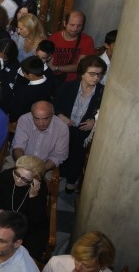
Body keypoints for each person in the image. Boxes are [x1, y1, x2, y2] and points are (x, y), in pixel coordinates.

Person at [55, 55, 106, 194]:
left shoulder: (103, 92)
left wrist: (94, 121)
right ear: (82, 73)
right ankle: (61, 173)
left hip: (84, 131)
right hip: (64, 127)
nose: (96, 78)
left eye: (99, 74)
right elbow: (55, 105)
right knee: (62, 149)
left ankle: (71, 180)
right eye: (92, 74)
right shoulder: (68, 86)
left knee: (78, 154)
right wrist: (61, 116)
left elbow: (107, 113)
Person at [0, 154, 49, 259]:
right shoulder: (6, 176)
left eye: (25, 179)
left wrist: (33, 196)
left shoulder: (40, 189)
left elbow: (37, 219)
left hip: (28, 228)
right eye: (17, 174)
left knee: (25, 257)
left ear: (35, 180)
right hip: (5, 221)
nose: (18, 180)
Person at [8, 100, 69, 173]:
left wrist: (39, 170)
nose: (41, 123)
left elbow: (58, 156)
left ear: (52, 115)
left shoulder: (62, 128)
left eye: (45, 118)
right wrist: (23, 168)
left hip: (45, 167)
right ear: (32, 115)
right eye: (37, 119)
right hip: (18, 161)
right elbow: (18, 146)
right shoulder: (24, 120)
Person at [48, 11, 96, 84]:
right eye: (72, 25)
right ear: (65, 23)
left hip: (74, 81)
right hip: (53, 79)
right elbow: (48, 61)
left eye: (79, 25)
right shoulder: (53, 38)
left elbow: (81, 66)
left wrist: (57, 68)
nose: (75, 29)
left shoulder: (87, 40)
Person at [9, 56, 53, 122]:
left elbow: (16, 110)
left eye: (23, 72)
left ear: (31, 75)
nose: (23, 74)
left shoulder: (24, 91)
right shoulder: (50, 80)